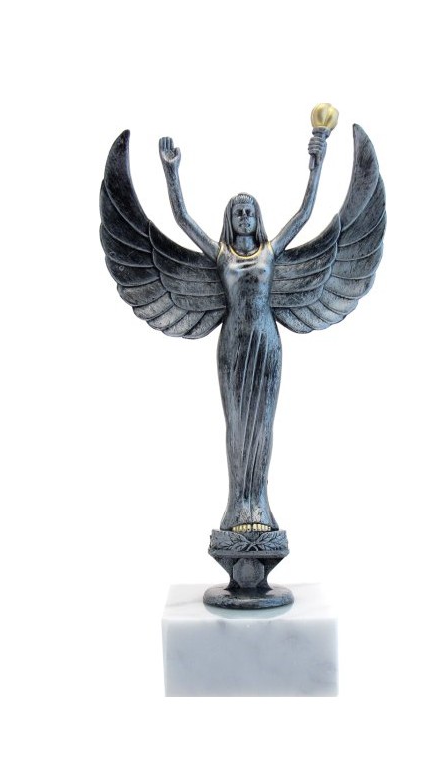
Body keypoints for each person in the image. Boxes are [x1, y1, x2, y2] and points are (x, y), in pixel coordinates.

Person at [158, 133, 327, 532]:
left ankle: (260, 508)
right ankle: (238, 508)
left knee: (262, 424)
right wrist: (171, 172)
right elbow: (182, 220)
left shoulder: (270, 252)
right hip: (234, 344)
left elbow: (305, 214)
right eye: (238, 212)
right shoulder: (222, 256)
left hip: (266, 342)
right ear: (230, 220)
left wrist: (317, 163)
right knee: (237, 424)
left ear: (258, 217)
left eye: (250, 211)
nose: (245, 217)